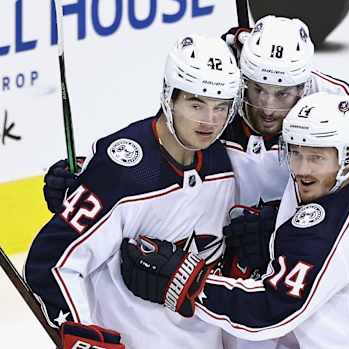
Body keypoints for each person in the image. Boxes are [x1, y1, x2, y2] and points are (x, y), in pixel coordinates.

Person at [119, 93, 349, 349]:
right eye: (296, 153)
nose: (302, 170)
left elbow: (271, 312)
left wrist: (186, 283)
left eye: (316, 158)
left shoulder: (330, 235)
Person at [24, 34, 241, 349]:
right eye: (196, 104)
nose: (210, 121)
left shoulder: (223, 162)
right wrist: (84, 337)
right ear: (169, 97)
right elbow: (51, 263)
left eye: (221, 107)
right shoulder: (123, 171)